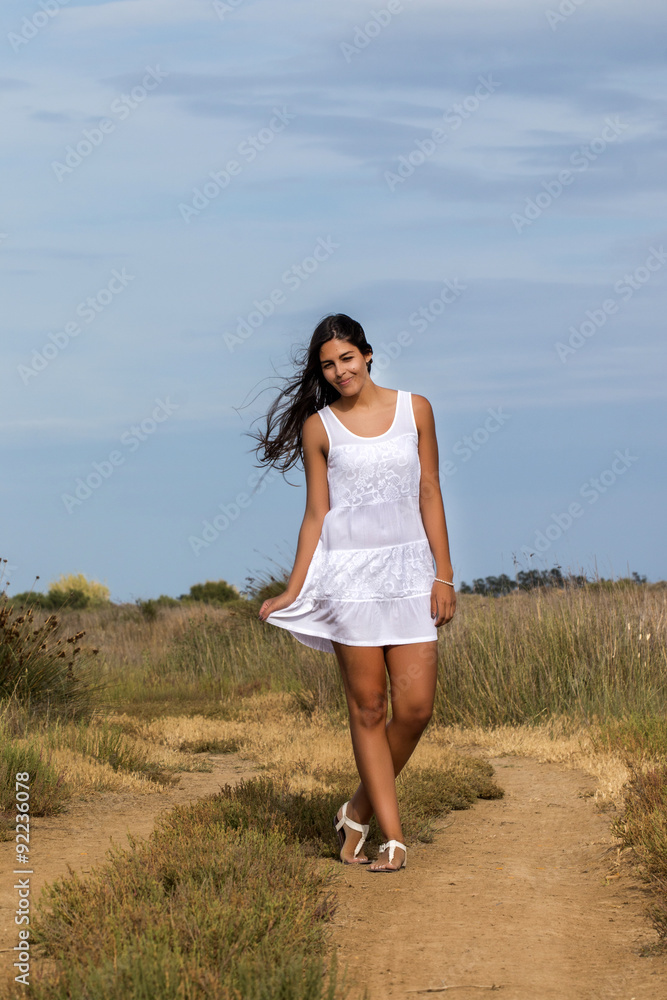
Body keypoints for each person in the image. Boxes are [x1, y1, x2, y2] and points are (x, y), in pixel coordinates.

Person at [253, 313, 456, 872]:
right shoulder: (319, 428)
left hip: (410, 575)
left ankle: (356, 809)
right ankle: (392, 838)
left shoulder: (416, 409)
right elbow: (317, 512)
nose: (340, 371)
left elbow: (430, 490)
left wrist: (443, 573)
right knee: (368, 710)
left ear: (368, 354)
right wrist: (294, 589)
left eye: (346, 358)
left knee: (414, 710)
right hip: (348, 582)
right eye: (328, 365)